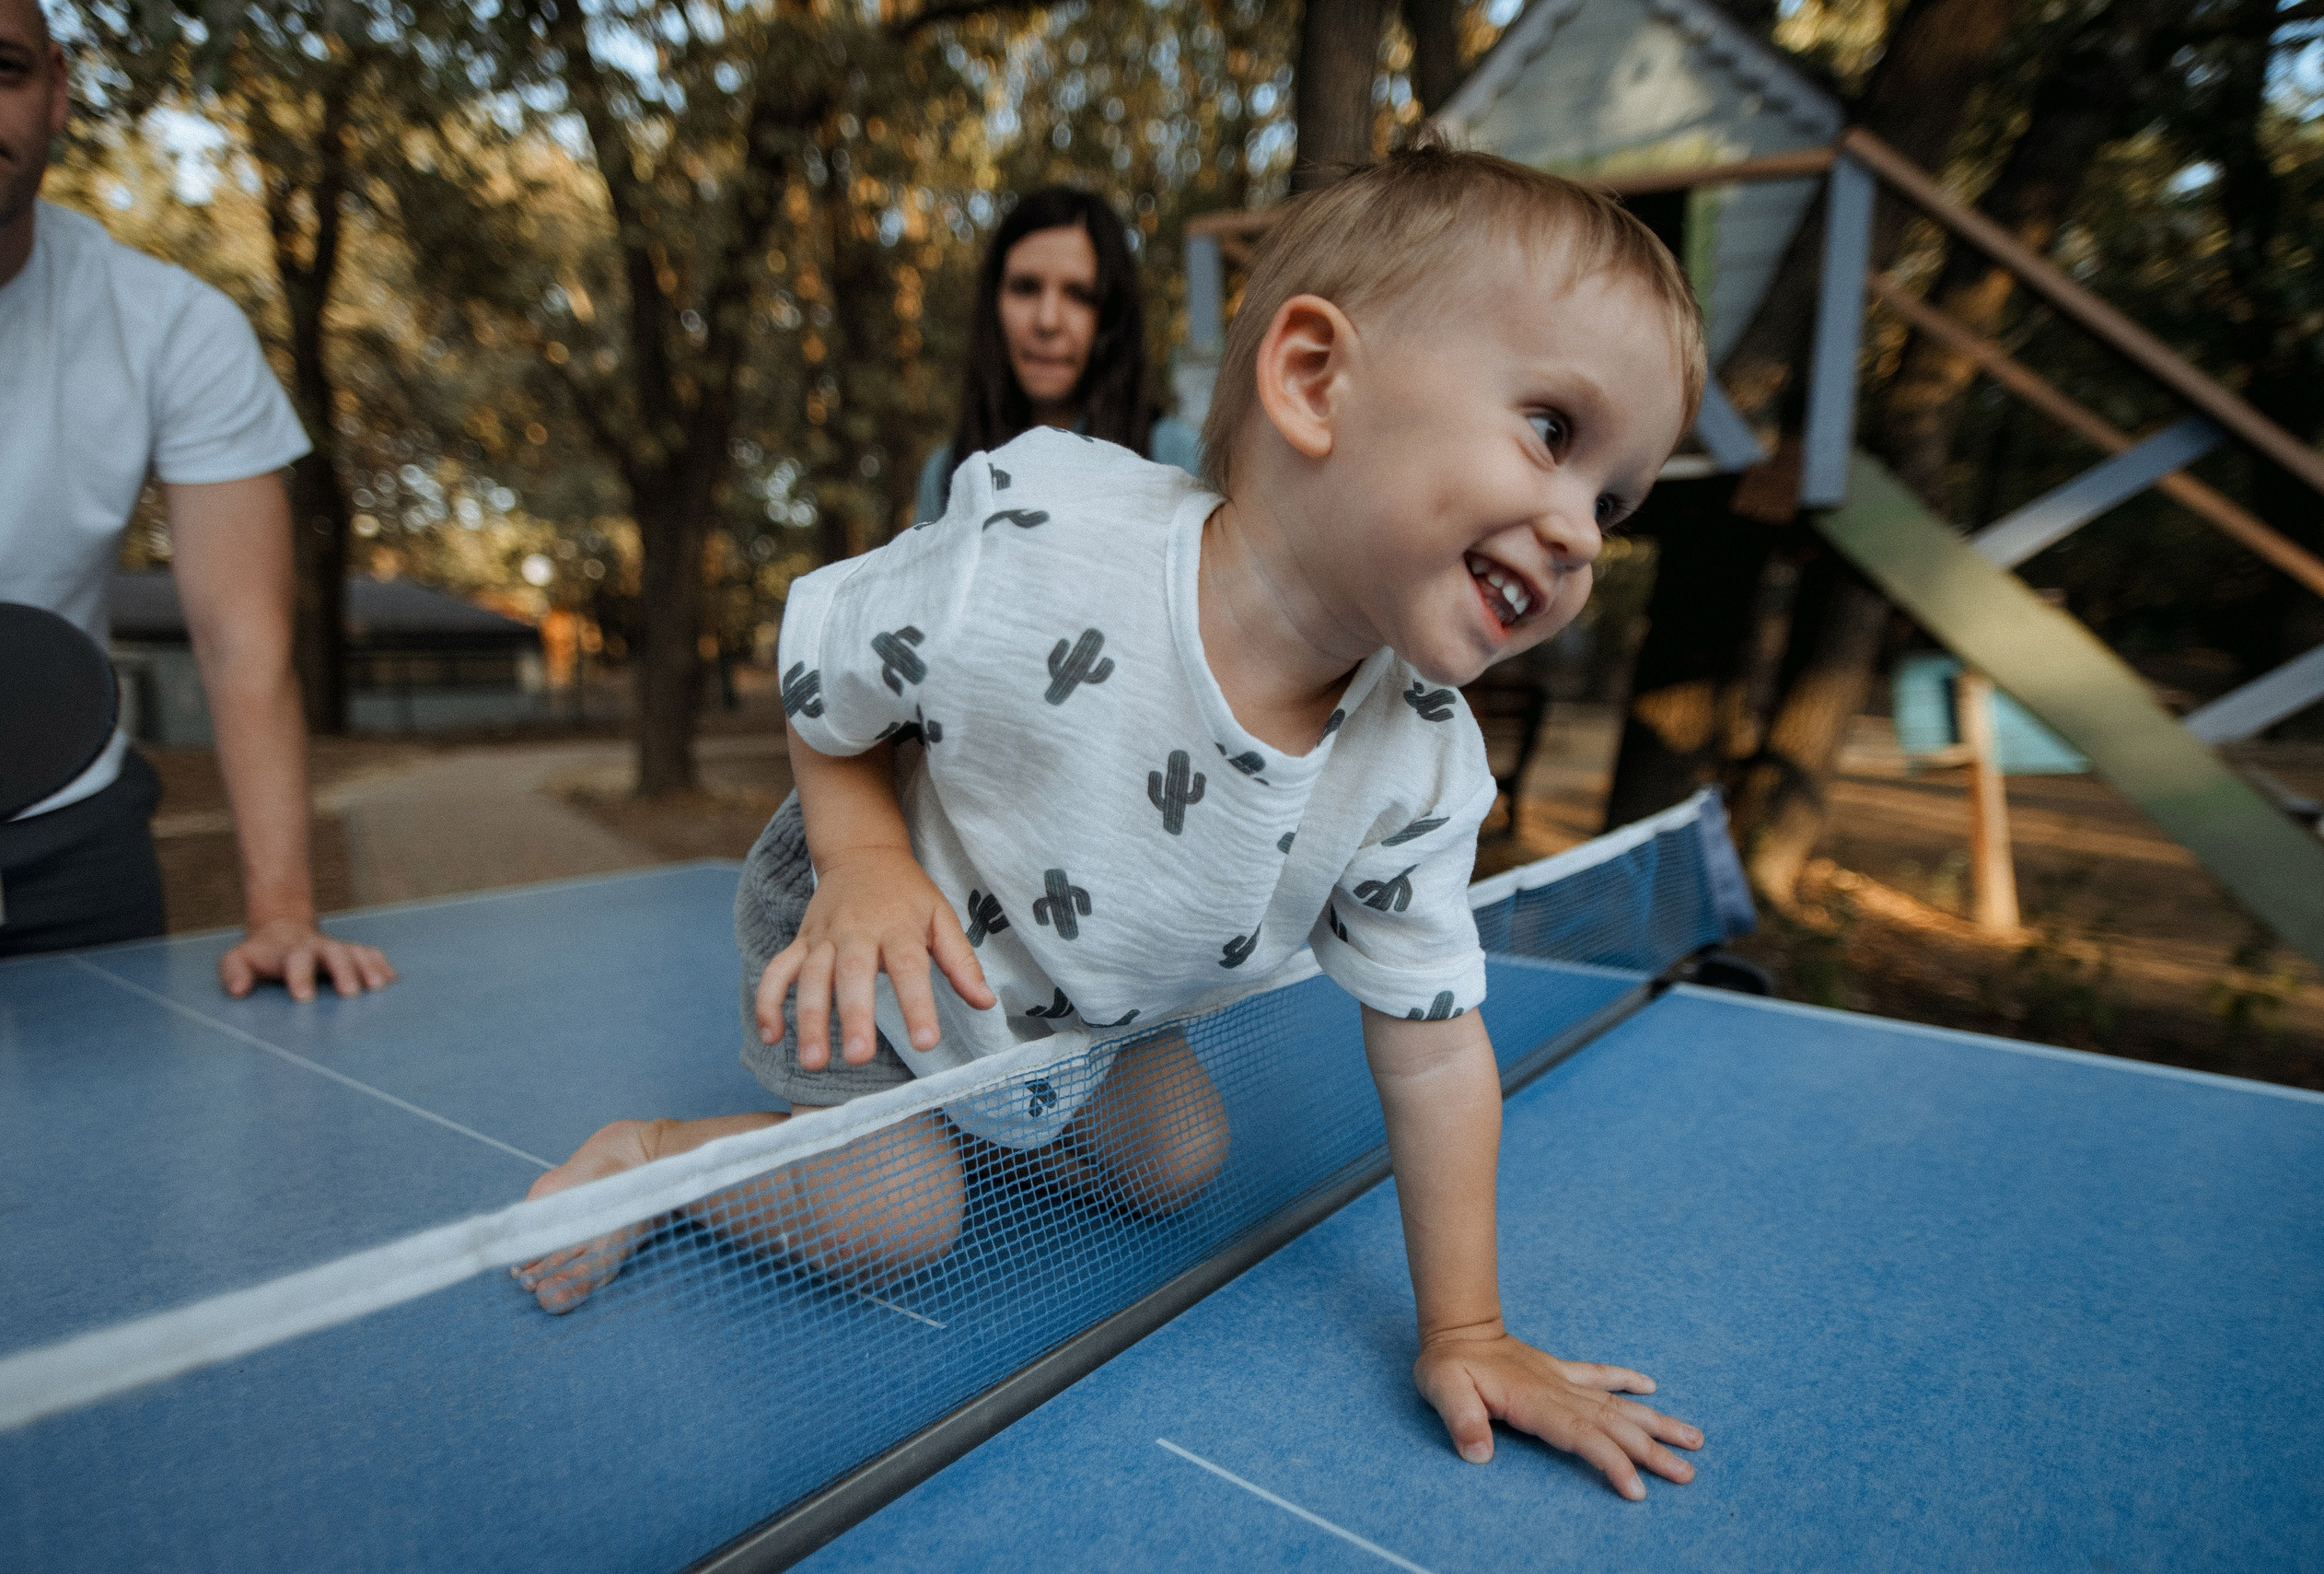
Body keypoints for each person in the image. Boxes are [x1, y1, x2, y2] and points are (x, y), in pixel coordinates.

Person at [518, 147, 1706, 1498]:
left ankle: (992, 1095)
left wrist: (1470, 1329)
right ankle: (657, 1162)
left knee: (1177, 1163)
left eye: (1615, 500)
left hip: (1083, 992)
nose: (1584, 534)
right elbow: (824, 672)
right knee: (896, 1220)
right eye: (1555, 431)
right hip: (878, 930)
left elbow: (1434, 1058)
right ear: (1317, 378)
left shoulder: (1422, 765)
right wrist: (861, 861)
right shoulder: (1044, 533)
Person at [0, 0, 393, 997]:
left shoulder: (174, 328)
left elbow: (240, 642)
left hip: (66, 832)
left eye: (0, 70)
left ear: (57, 90)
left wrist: (282, 914)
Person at [912, 185, 1197, 526]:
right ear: (993, 304)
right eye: (1026, 287)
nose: (1047, 321)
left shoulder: (1179, 460)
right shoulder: (946, 474)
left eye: (1079, 295)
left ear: (1112, 317)